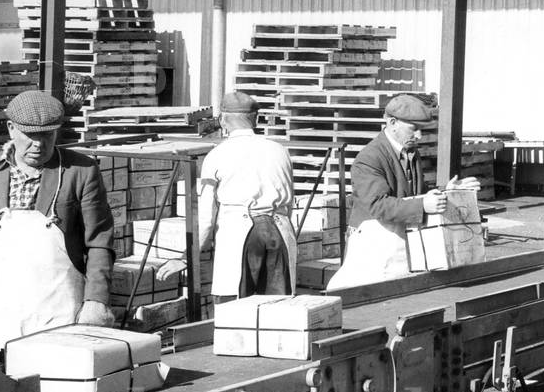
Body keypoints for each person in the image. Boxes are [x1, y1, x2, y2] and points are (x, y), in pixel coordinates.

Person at [0, 90, 115, 363]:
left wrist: (96, 300)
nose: (38, 144)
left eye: (47, 135)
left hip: (57, 311)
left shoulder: (80, 172)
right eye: (30, 135)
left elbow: (99, 241)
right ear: (11, 129)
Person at [326, 93, 477, 289]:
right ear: (392, 122)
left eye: (421, 130)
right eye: (413, 129)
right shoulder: (369, 158)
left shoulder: (411, 153)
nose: (419, 136)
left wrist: (445, 192)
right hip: (372, 246)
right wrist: (423, 205)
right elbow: (377, 204)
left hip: (397, 242)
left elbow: (415, 194)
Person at [157, 91, 295, 302]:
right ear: (255, 119)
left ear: (223, 120)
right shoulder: (280, 150)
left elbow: (205, 219)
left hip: (239, 233)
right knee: (278, 310)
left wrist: (186, 258)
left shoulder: (218, 155)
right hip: (280, 229)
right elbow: (291, 202)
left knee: (233, 308)